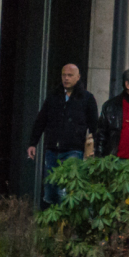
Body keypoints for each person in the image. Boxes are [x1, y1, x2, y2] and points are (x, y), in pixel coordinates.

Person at [27, 64, 99, 206]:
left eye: (70, 75)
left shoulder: (87, 98)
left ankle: (65, 224)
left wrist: (96, 149)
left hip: (73, 149)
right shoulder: (54, 97)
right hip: (52, 149)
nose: (66, 78)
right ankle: (52, 222)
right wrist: (32, 143)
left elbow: (94, 126)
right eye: (64, 75)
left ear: (78, 77)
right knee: (50, 188)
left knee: (66, 190)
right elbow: (41, 120)